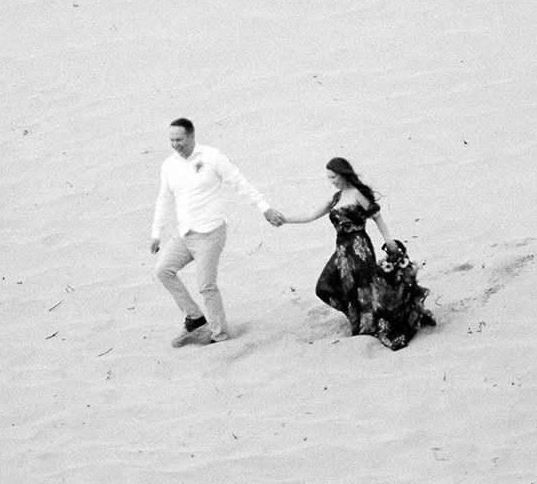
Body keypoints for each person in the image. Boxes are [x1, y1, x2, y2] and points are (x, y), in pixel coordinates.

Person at [151, 118, 284, 346]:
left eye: (180, 139)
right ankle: (194, 318)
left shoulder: (212, 157)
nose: (176, 144)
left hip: (210, 233)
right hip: (185, 234)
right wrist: (156, 233)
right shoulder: (169, 165)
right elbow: (163, 200)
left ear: (191, 137)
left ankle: (220, 335)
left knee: (206, 285)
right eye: (172, 140)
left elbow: (239, 183)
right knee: (163, 270)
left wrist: (265, 209)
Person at [279, 157, 435, 350]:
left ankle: (369, 324)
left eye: (333, 176)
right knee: (324, 287)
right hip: (342, 249)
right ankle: (358, 318)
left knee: (364, 290)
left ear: (343, 174)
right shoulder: (336, 198)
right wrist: (285, 220)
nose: (331, 181)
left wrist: (389, 241)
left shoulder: (359, 194)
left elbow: (377, 217)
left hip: (359, 247)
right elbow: (310, 216)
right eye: (329, 178)